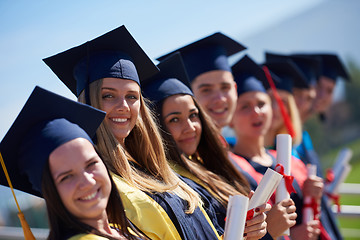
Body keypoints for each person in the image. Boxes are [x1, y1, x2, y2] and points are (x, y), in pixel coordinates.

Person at [44, 25, 221, 240]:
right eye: (108, 96)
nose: (124, 106)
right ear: (87, 102)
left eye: (132, 96)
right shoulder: (97, 182)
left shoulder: (155, 167)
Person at [142, 52, 270, 239]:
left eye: (193, 115)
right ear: (155, 127)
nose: (190, 127)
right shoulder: (170, 187)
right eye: (175, 119)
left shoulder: (204, 167)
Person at [0, 86, 146, 240]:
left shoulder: (120, 230)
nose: (87, 181)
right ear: (48, 191)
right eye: (67, 177)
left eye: (91, 164)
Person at [229, 55, 321, 240]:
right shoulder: (230, 169)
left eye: (262, 104)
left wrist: (313, 199)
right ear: (230, 118)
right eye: (245, 106)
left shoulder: (291, 162)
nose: (256, 112)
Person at [157, 32, 245, 131]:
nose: (220, 99)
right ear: (189, 96)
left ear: (235, 89)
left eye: (225, 87)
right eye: (206, 90)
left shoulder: (227, 145)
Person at [294, 53, 350, 122]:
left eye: (329, 91)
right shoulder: (283, 130)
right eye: (318, 86)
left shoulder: (301, 131)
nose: (322, 95)